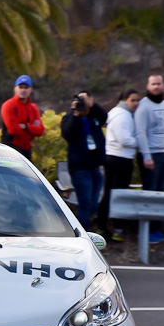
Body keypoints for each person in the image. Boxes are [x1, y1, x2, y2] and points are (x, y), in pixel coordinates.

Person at [135, 74, 164, 243]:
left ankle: (157, 228)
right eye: (153, 84)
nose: (156, 87)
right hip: (150, 155)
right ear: (147, 86)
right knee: (150, 193)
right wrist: (146, 156)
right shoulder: (143, 107)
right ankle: (147, 231)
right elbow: (140, 132)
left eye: (159, 84)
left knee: (161, 193)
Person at [96, 89, 140, 241]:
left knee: (109, 193)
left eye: (137, 100)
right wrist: (140, 141)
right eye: (132, 100)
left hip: (112, 157)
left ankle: (103, 226)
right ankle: (116, 229)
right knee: (118, 195)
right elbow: (124, 140)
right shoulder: (123, 115)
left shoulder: (115, 112)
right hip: (120, 159)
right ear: (125, 100)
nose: (136, 103)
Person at [60, 90, 108, 231]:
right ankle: (83, 234)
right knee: (85, 203)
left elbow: (104, 117)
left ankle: (81, 227)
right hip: (80, 169)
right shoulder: (69, 118)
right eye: (80, 99)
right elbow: (67, 134)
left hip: (95, 166)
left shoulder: (94, 116)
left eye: (85, 99)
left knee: (93, 203)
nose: (82, 102)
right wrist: (76, 114)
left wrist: (91, 105)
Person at [0, 75, 45, 161]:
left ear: (31, 89)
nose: (23, 90)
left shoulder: (33, 108)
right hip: (10, 148)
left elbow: (40, 130)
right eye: (20, 87)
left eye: (26, 87)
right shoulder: (8, 105)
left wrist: (26, 126)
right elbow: (13, 129)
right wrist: (32, 128)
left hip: (27, 149)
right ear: (15, 89)